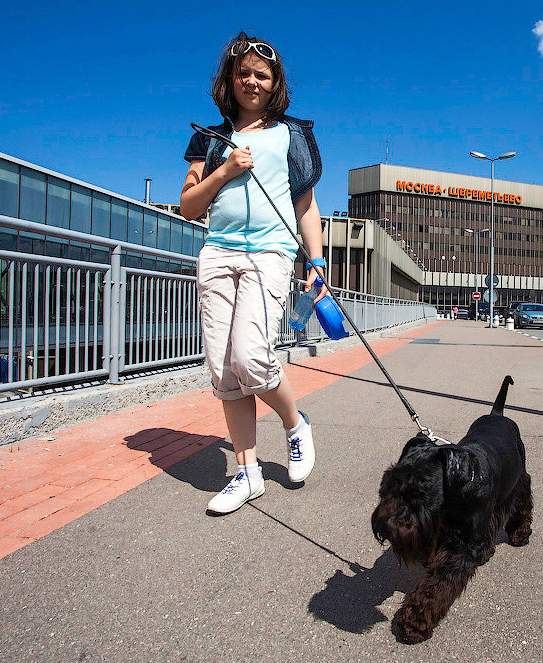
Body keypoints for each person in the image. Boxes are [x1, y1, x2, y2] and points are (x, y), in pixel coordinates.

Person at [180, 32, 326, 514]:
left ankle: (294, 423)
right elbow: (188, 207)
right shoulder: (212, 138)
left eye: (261, 74)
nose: (251, 80)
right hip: (218, 252)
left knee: (250, 355)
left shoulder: (292, 135)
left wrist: (317, 261)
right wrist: (224, 172)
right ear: (230, 79)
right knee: (223, 370)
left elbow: (305, 205)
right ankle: (247, 473)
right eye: (243, 72)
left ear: (275, 83)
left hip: (270, 253)